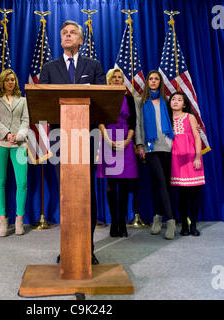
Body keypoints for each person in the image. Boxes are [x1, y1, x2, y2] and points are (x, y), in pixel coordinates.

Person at [39, 20, 106, 264]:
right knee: (67, 193)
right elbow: (43, 101)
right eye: (64, 33)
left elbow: (102, 100)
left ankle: (87, 248)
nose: (68, 36)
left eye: (73, 33)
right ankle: (68, 247)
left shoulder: (94, 66)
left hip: (87, 135)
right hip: (60, 136)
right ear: (61, 40)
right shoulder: (49, 67)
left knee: (86, 192)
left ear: (81, 40)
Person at [97, 68, 138, 237]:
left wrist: (128, 141)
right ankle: (114, 222)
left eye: (119, 77)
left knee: (124, 185)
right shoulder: (104, 97)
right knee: (112, 184)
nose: (116, 79)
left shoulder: (129, 98)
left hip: (125, 142)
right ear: (109, 79)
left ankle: (123, 221)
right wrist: (107, 140)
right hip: (108, 140)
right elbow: (99, 121)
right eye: (114, 77)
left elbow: (133, 122)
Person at [135, 70, 176, 239]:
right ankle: (171, 221)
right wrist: (139, 145)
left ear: (160, 82)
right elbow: (137, 123)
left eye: (156, 79)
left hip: (166, 144)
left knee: (163, 183)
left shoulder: (166, 101)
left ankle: (157, 217)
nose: (153, 81)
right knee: (160, 180)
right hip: (150, 145)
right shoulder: (141, 101)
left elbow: (177, 118)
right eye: (150, 79)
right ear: (147, 82)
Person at [0, 69, 29, 237]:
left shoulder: (23, 100)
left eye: (13, 79)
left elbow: (26, 121)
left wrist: (18, 136)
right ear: (2, 82)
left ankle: (19, 219)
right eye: (7, 80)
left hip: (19, 144)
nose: (10, 82)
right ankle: (3, 219)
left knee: (22, 182)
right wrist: (7, 134)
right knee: (0, 181)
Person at [169, 92, 205, 236]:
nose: (176, 102)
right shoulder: (167, 118)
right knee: (182, 194)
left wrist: (197, 156)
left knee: (193, 194)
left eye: (179, 100)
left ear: (184, 104)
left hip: (191, 157)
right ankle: (184, 224)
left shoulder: (190, 117)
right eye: (173, 99)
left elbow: (197, 138)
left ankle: (193, 225)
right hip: (176, 159)